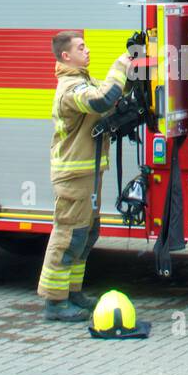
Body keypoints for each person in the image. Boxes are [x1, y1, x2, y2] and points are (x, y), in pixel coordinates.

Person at [38, 31, 132, 322]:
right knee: (68, 236)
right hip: (74, 175)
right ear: (66, 56)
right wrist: (121, 64)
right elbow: (102, 100)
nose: (87, 50)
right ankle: (55, 302)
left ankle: (72, 292)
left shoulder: (82, 81)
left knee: (86, 234)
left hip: (87, 173)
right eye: (81, 47)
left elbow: (111, 97)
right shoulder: (70, 89)